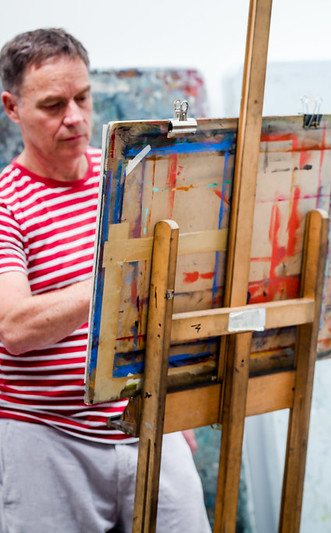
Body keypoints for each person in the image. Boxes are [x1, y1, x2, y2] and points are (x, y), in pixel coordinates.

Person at [0, 28, 210, 532]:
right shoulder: (6, 201)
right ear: (11, 107)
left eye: (82, 98)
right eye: (52, 104)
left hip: (144, 419)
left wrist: (177, 399)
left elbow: (176, 291)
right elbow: (15, 327)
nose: (74, 117)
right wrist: (115, 273)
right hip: (45, 437)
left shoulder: (132, 177)